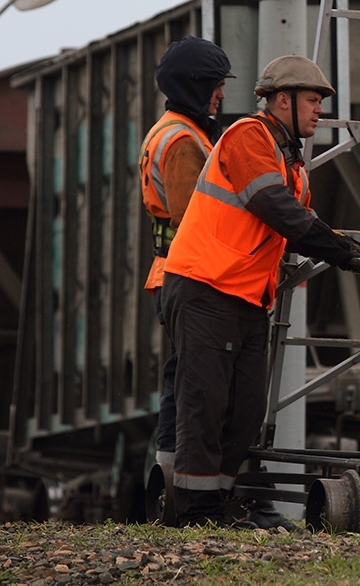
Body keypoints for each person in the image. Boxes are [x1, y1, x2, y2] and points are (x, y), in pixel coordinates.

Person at [163, 55, 360, 528]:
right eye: (313, 101)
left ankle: (220, 503)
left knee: (244, 411)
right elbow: (274, 207)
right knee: (206, 406)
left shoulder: (292, 160)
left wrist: (339, 245)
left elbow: (297, 221)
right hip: (205, 287)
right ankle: (199, 513)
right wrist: (337, 249)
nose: (319, 111)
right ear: (283, 100)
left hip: (245, 297)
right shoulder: (248, 137)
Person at [139, 36, 231, 474]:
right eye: (215, 84)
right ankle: (174, 478)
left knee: (185, 374)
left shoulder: (178, 129)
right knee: (190, 379)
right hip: (189, 275)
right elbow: (193, 216)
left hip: (174, 271)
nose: (222, 93)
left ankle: (171, 475)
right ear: (194, 86)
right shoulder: (182, 141)